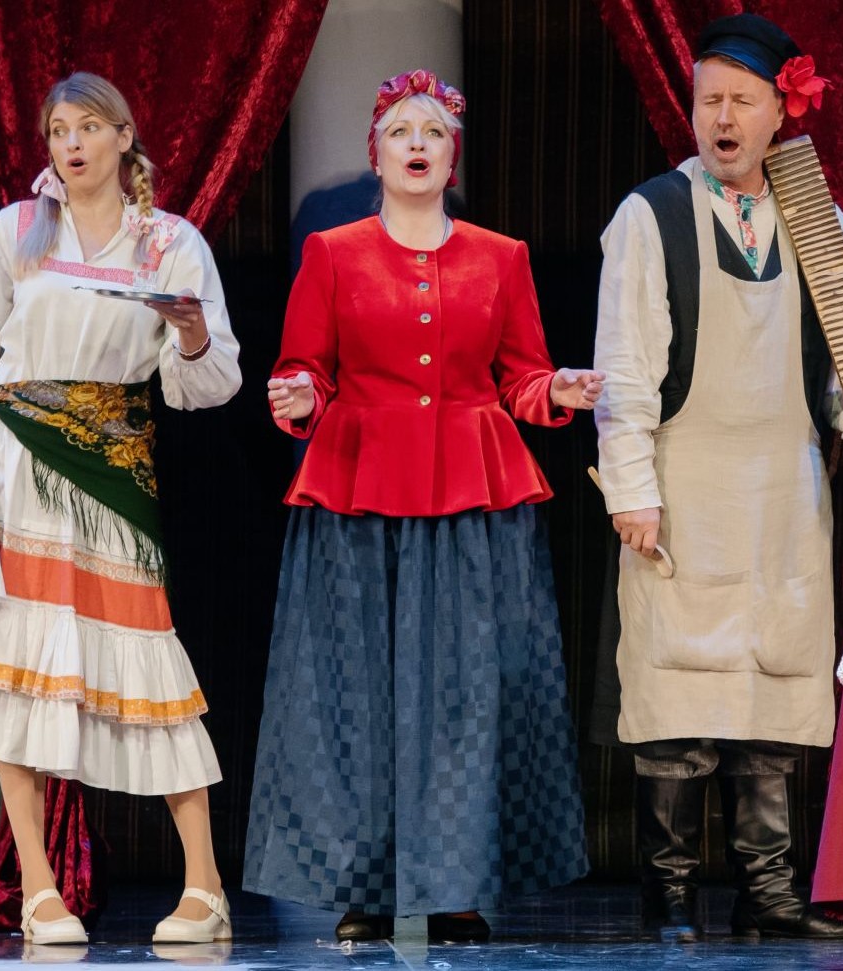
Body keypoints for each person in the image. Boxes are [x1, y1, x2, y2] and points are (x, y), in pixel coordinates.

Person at [242, 70, 599, 945]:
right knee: (356, 693)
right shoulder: (332, 253)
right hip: (358, 495)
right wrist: (300, 394)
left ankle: (457, 884)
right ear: (376, 154)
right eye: (401, 130)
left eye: (433, 132)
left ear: (451, 155)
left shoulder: (501, 257)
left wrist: (556, 388)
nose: (416, 144)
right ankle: (363, 887)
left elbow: (520, 377)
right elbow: (306, 369)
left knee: (466, 696)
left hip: (472, 501)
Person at [594, 13, 843, 942]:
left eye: (742, 101)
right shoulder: (651, 215)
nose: (722, 118)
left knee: (774, 688)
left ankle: (768, 889)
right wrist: (632, 488)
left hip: (783, 489)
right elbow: (624, 368)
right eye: (708, 101)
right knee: (677, 692)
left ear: (781, 112)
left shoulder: (820, 222)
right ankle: (670, 892)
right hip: (685, 483)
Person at [0, 72, 240, 945]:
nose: (71, 144)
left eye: (88, 126)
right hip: (19, 461)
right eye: (59, 130)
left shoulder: (168, 241)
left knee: (147, 658)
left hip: (112, 468)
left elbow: (209, 383)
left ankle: (204, 885)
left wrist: (191, 331)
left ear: (124, 136)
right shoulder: (20, 229)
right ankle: (39, 889)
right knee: (19, 663)